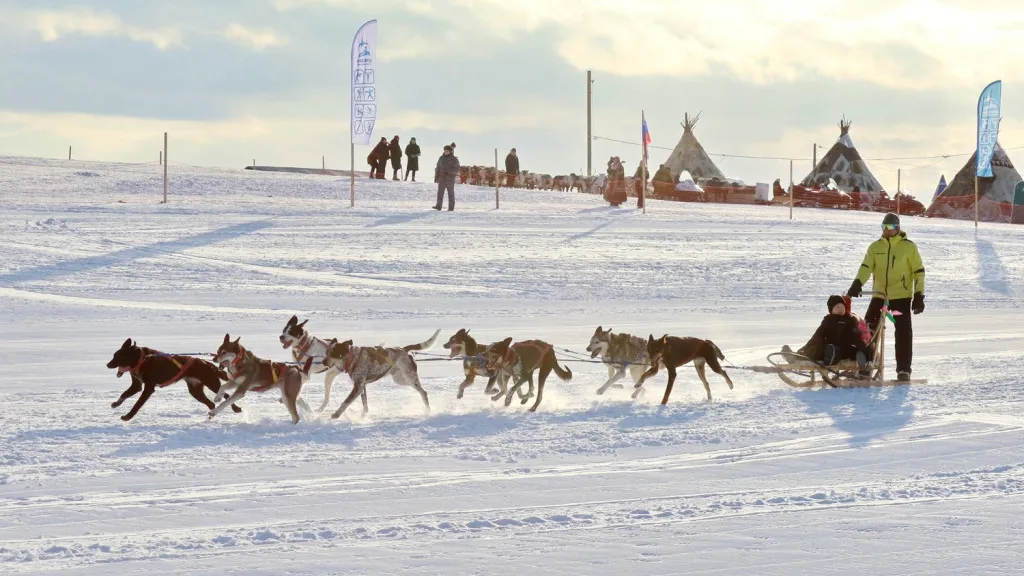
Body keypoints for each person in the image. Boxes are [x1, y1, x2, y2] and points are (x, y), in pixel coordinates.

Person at [846, 213, 925, 381]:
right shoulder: (875, 247)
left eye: (890, 228)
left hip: (900, 298)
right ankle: (866, 366)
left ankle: (903, 370)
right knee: (867, 331)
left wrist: (919, 295)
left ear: (897, 228)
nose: (887, 231)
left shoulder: (909, 247)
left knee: (903, 332)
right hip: (879, 297)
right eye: (884, 228)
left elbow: (918, 272)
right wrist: (857, 283)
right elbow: (866, 267)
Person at [782, 295, 872, 377]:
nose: (840, 309)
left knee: (834, 350)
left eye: (842, 306)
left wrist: (865, 349)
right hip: (830, 346)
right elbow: (818, 335)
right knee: (818, 344)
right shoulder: (828, 320)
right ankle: (797, 355)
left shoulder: (850, 320)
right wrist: (808, 346)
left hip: (846, 349)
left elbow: (855, 335)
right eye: (837, 307)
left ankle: (829, 356)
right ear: (831, 309)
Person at [433, 145, 459, 211]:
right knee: (440, 193)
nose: (445, 152)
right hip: (441, 179)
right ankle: (438, 206)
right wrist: (436, 177)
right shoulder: (441, 158)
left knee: (451, 194)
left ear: (450, 151)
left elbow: (456, 169)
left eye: (447, 151)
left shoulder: (454, 159)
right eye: (445, 150)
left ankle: (451, 208)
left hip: (450, 179)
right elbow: (438, 168)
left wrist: (449, 172)